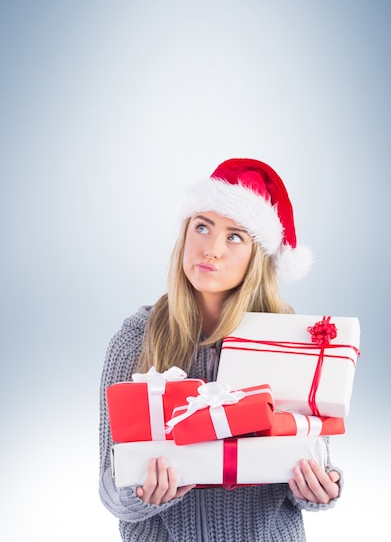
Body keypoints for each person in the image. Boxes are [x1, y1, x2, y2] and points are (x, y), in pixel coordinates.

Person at [99, 158, 342, 542]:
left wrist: (318, 489)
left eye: (234, 237)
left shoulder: (289, 341)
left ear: (257, 257)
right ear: (185, 234)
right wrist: (144, 495)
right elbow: (111, 492)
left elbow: (315, 457)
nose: (211, 250)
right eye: (202, 227)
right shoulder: (135, 341)